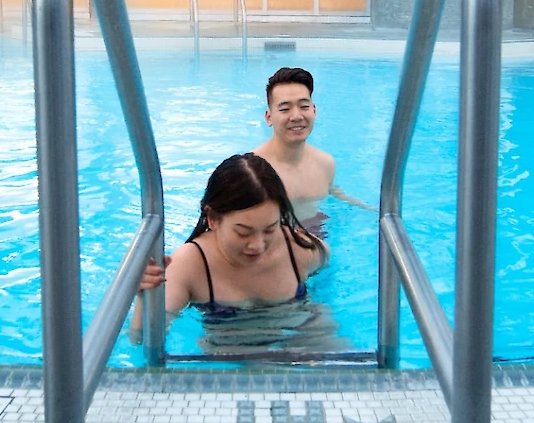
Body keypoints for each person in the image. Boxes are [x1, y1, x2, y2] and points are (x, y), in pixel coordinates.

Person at [134, 153, 328, 328]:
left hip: (302, 326)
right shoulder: (190, 265)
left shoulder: (298, 248)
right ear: (213, 219)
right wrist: (145, 297)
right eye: (244, 232)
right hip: (230, 345)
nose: (258, 245)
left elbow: (330, 270)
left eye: (270, 229)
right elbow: (141, 339)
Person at [251, 66, 370, 232]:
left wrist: (371, 213)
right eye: (285, 109)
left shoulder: (325, 163)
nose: (297, 116)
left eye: (304, 106)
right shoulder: (253, 170)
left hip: (315, 237)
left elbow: (334, 193)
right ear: (269, 117)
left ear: (314, 111)